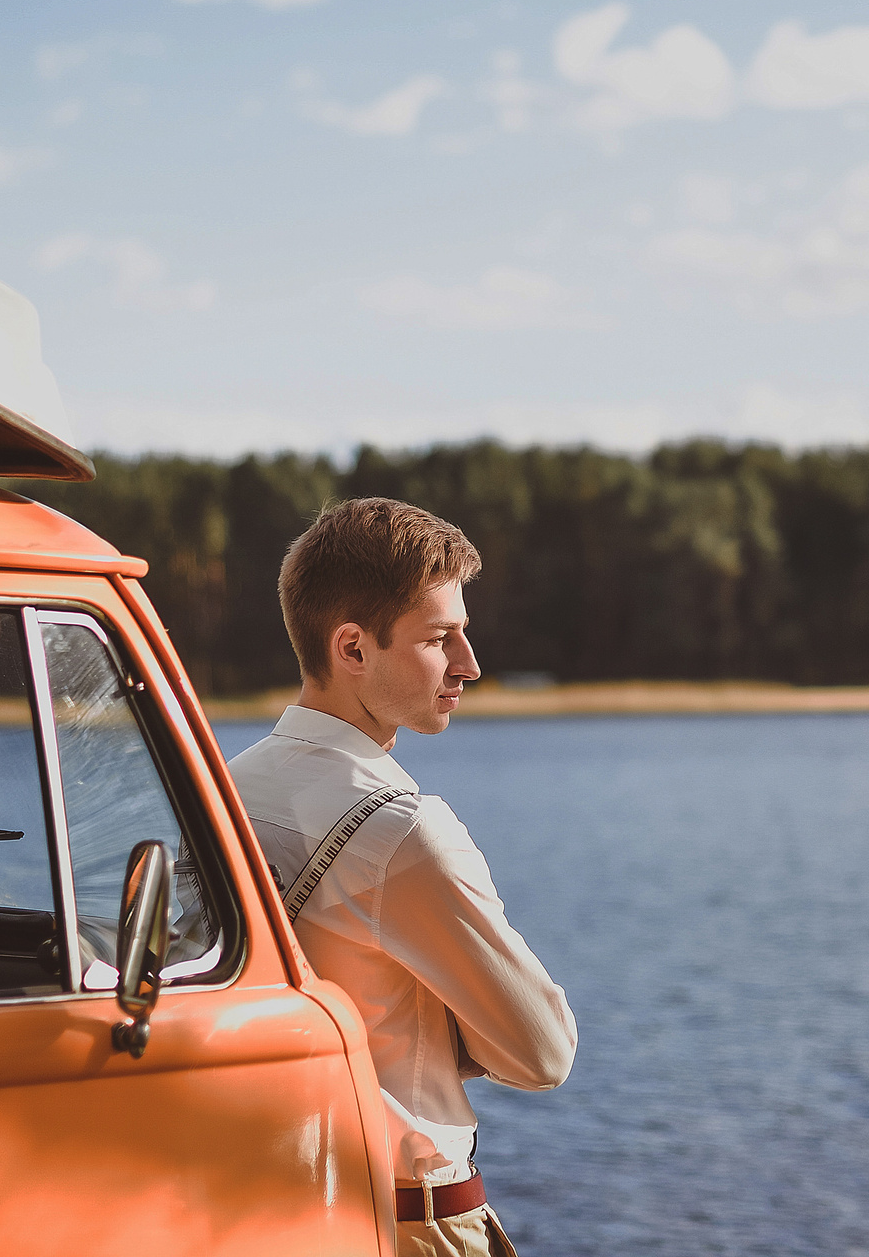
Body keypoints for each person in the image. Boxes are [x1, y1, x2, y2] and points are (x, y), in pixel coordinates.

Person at [228, 498, 576, 1257]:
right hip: (405, 1221)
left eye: (465, 634)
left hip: (268, 1210)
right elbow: (544, 1054)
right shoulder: (404, 831)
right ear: (352, 648)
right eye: (437, 638)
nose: (469, 666)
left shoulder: (223, 788)